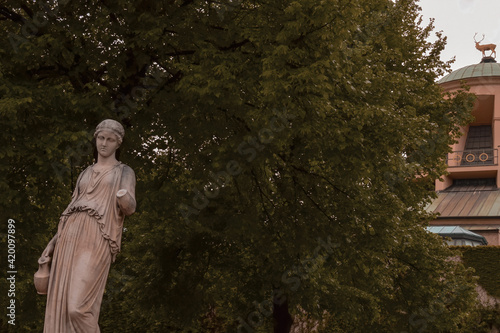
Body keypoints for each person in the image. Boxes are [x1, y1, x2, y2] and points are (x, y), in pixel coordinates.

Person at [38, 119, 136, 332]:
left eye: (110, 140)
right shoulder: (85, 173)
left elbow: (129, 207)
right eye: (101, 138)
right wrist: (52, 243)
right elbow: (71, 208)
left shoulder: (124, 171)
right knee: (61, 307)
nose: (104, 143)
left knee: (77, 308)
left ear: (118, 144)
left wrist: (123, 197)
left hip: (97, 235)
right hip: (69, 234)